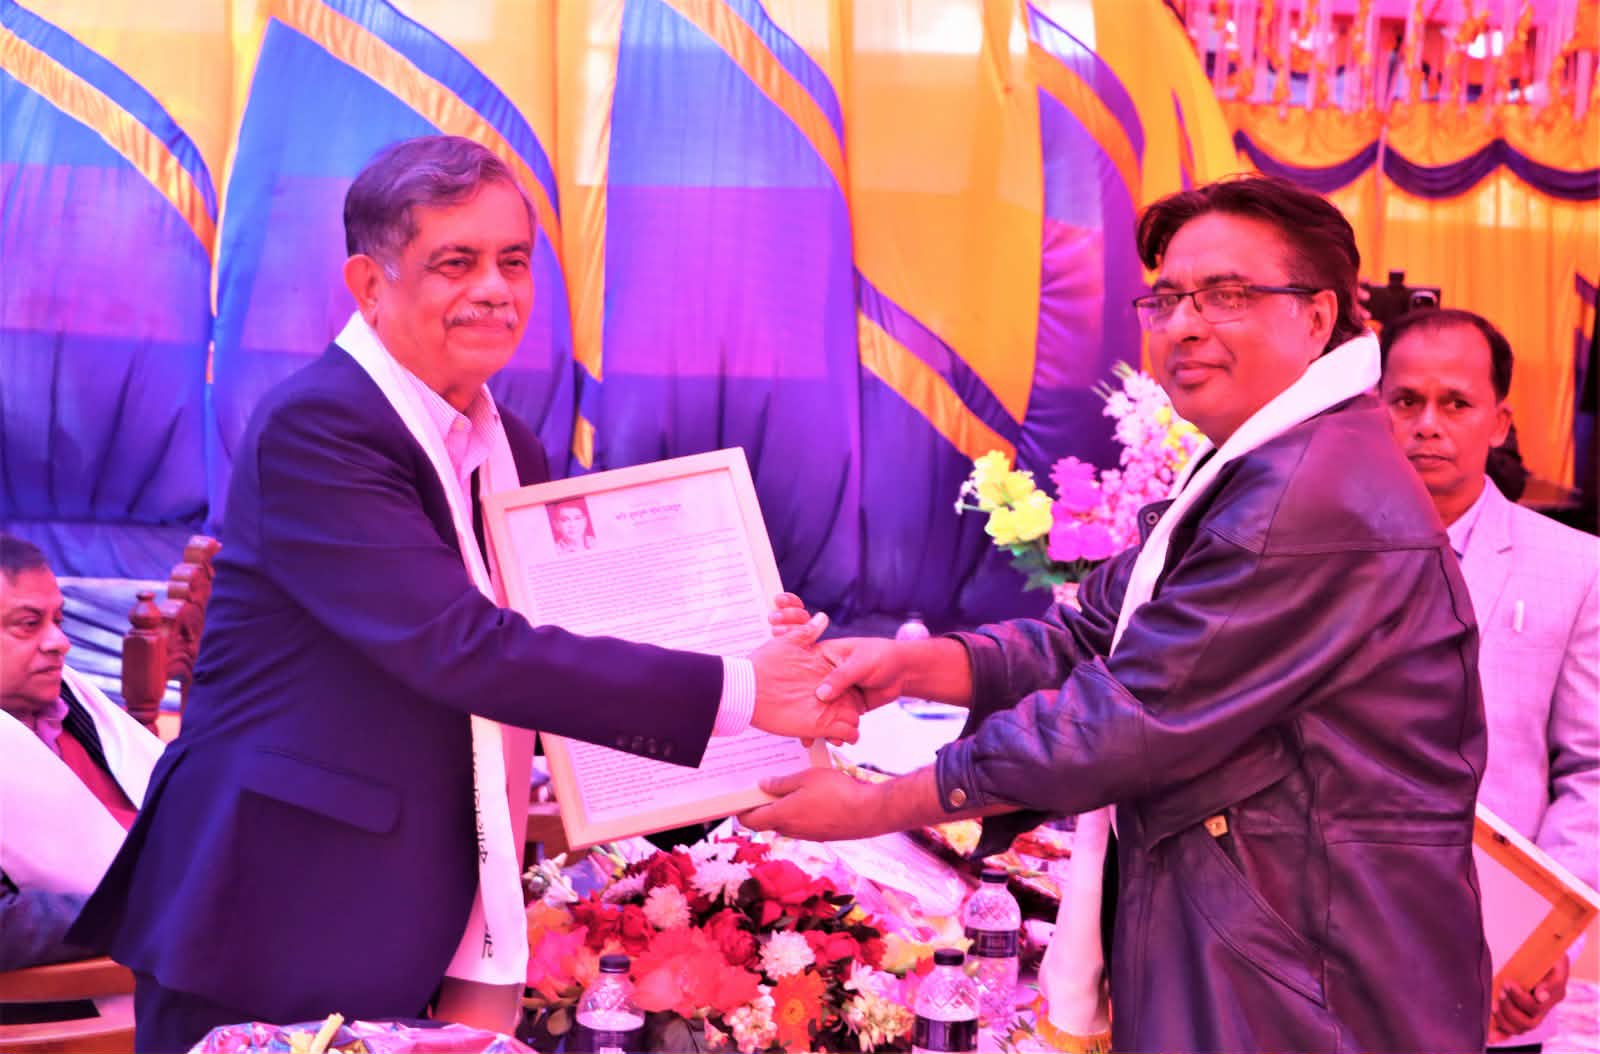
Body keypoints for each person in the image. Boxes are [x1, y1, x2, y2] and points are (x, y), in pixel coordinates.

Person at [67, 135, 857, 1052]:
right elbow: (464, 648)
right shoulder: (319, 428)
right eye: (457, 262)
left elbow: (558, 647)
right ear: (368, 283)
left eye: (513, 261)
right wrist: (744, 688)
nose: (495, 289)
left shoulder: (508, 444)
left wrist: (746, 660)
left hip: (435, 894)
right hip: (278, 900)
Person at [745, 176, 1491, 1053]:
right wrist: (908, 666)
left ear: (1317, 317)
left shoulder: (1308, 491)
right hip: (1274, 943)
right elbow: (1093, 636)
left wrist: (877, 805)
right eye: (1168, 299)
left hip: (1310, 977)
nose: (1184, 325)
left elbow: (1125, 716)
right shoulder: (1270, 461)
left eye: (1226, 295)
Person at [1380, 307, 1599, 1051]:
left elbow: (1592, 770)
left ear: (1499, 422)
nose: (1427, 425)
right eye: (1406, 401)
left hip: (1495, 961)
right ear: (1375, 411)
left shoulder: (1575, 567)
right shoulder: (1317, 556)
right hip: (1325, 957)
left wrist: (1544, 948)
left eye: (1456, 403)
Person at [1, 534, 162, 972]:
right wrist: (146, 910)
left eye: (59, 619)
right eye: (29, 624)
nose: (59, 642)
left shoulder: (77, 706)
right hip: (80, 992)